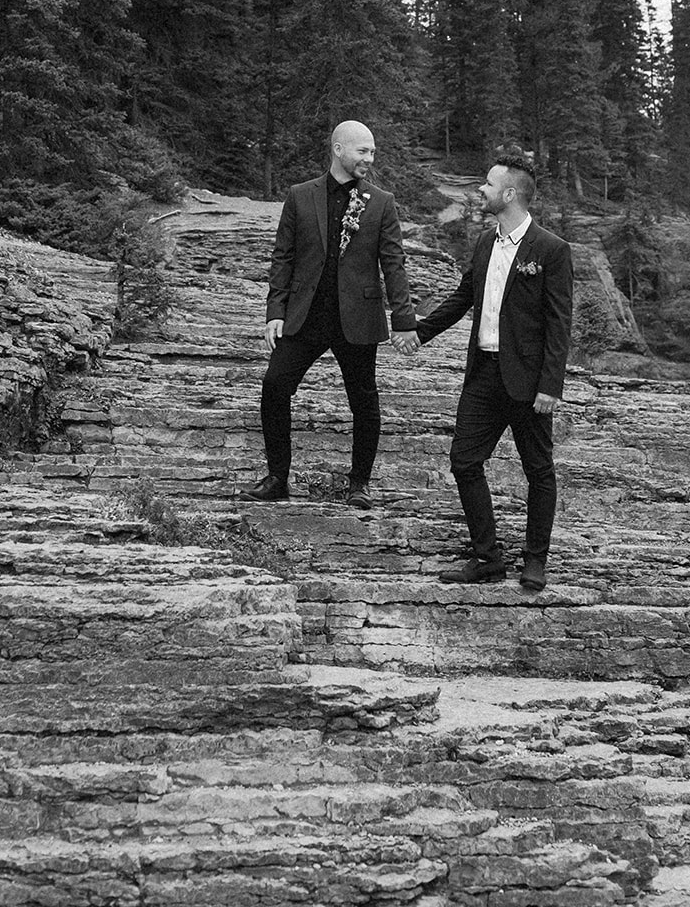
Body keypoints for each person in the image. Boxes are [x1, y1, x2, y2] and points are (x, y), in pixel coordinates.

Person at [241, 120, 420, 509]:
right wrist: (275, 310)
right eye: (362, 151)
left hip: (357, 319)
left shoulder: (382, 202)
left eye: (372, 152)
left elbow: (394, 264)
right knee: (274, 386)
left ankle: (360, 484)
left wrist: (404, 321)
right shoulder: (300, 196)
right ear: (339, 150)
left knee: (364, 401)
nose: (369, 159)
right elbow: (283, 258)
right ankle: (277, 478)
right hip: (305, 316)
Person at [415, 153, 573, 590]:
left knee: (538, 470)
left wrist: (551, 385)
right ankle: (487, 557)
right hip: (484, 374)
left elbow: (560, 322)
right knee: (465, 461)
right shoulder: (486, 242)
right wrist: (416, 332)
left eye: (487, 185)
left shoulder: (551, 249)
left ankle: (535, 559)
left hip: (528, 380)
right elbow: (464, 296)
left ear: (508, 194)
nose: (479, 190)